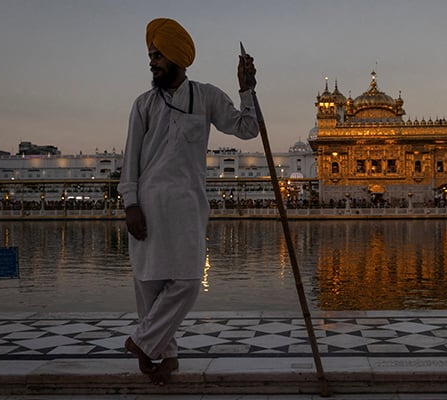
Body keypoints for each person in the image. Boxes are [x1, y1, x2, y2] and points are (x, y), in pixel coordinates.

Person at [118, 18, 259, 386]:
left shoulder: (206, 96)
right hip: (147, 205)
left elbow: (247, 129)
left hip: (187, 206)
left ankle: (146, 342)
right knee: (149, 282)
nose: (152, 62)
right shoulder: (143, 104)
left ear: (179, 58)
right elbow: (130, 158)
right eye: (150, 55)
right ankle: (166, 357)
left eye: (158, 55)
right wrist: (130, 203)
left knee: (189, 280)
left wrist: (247, 90)